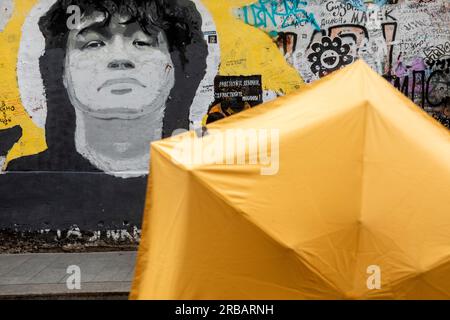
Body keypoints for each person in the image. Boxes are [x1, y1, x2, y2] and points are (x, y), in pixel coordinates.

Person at [1, 0, 208, 230]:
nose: (119, 58)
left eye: (142, 42)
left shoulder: (206, 175)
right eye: (93, 44)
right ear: (62, 70)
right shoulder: (28, 178)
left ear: (174, 68)